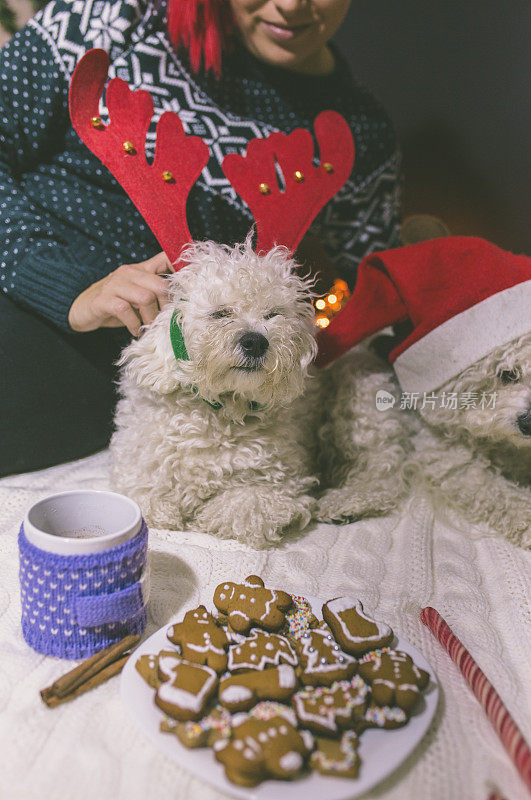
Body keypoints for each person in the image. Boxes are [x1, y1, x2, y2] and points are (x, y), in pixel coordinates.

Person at [0, 0, 401, 476]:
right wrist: (69, 286)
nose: (291, 5)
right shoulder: (110, 19)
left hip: (163, 388)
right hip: (17, 298)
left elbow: (363, 301)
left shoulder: (360, 137)